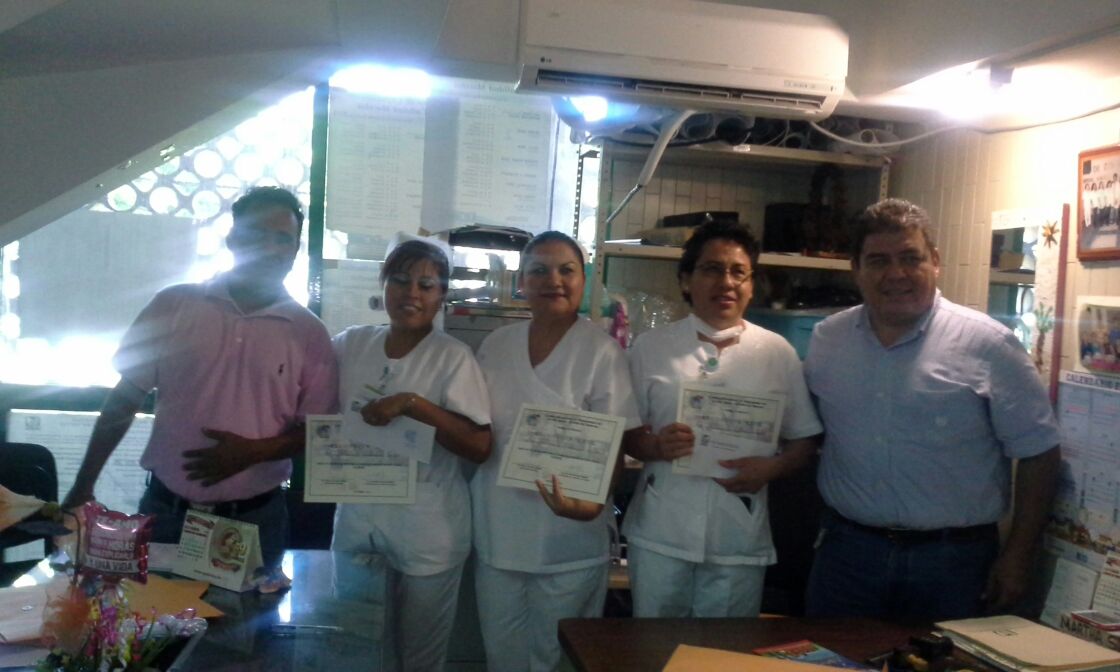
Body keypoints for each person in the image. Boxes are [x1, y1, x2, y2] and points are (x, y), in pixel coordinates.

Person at [803, 198, 1061, 621]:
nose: (896, 274)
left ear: (935, 261)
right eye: (878, 261)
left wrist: (1018, 555)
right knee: (833, 655)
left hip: (953, 563)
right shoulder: (827, 340)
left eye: (911, 258)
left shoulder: (989, 345)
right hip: (847, 557)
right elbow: (806, 431)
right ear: (856, 268)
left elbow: (1040, 453)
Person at [61, 186, 338, 567]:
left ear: (295, 250)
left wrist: (254, 452)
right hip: (166, 513)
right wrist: (83, 484)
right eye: (257, 233)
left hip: (254, 521)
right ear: (232, 237)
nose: (270, 247)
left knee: (251, 610)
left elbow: (319, 430)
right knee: (154, 608)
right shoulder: (173, 305)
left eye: (282, 238)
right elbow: (125, 398)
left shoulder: (310, 333)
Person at [622, 220, 823, 618]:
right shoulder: (650, 348)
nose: (726, 282)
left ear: (751, 284)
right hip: (663, 530)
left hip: (738, 535)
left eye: (738, 272)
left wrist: (772, 467)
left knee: (723, 648)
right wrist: (657, 446)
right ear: (686, 280)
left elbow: (804, 441)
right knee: (652, 645)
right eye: (712, 269)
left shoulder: (778, 353)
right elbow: (627, 435)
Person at [470, 231, 642, 672]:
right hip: (500, 530)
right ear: (521, 283)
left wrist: (593, 505)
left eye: (567, 270)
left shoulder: (602, 352)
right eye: (539, 270)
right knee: (502, 655)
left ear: (584, 280)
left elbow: (615, 443)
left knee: (557, 659)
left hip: (570, 538)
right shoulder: (496, 346)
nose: (554, 281)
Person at [330, 238, 491, 672]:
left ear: (442, 295)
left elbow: (479, 445)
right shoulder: (351, 344)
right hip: (359, 519)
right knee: (358, 649)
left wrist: (413, 405)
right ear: (383, 284)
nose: (412, 293)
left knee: (420, 657)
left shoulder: (452, 357)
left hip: (428, 529)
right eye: (400, 280)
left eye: (427, 284)